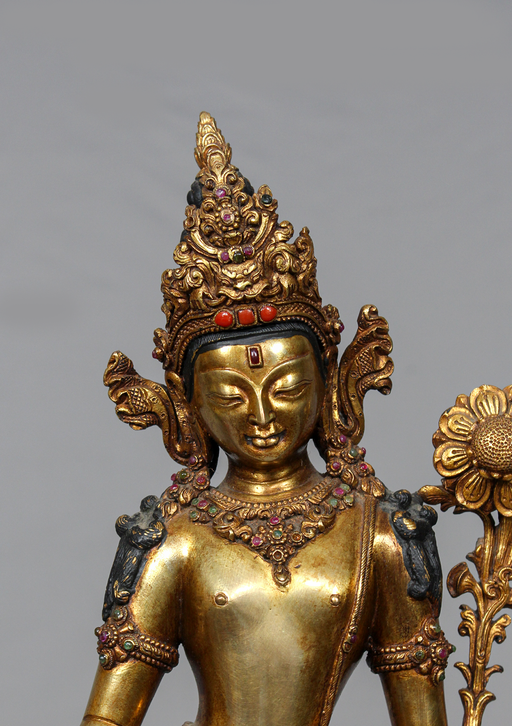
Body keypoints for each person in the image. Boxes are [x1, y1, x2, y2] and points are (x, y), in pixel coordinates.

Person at [80, 113, 453, 726]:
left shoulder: (381, 535)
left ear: (329, 381)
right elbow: (106, 718)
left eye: (287, 388)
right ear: (187, 405)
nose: (260, 415)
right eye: (230, 396)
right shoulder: (171, 542)